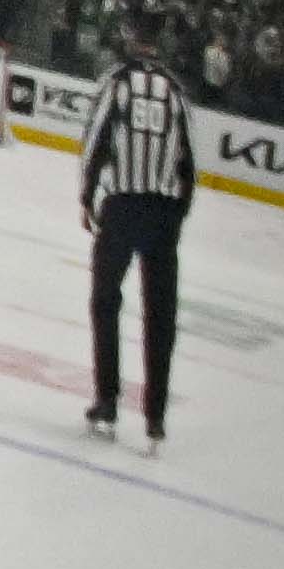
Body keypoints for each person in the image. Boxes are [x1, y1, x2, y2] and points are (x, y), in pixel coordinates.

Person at [84, 49, 195, 436]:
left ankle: (108, 401)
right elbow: (189, 161)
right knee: (160, 316)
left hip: (123, 206)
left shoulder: (116, 83)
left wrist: (86, 197)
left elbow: (94, 140)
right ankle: (155, 417)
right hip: (162, 211)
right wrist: (178, 215)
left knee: (105, 300)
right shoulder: (177, 93)